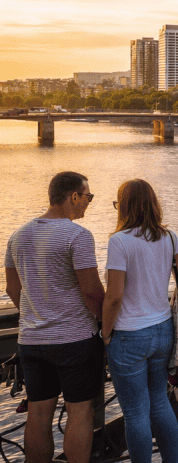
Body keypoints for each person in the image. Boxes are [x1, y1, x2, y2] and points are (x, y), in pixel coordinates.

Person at [4, 172, 105, 463]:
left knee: (38, 411)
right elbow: (93, 293)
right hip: (74, 340)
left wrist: (36, 314)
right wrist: (105, 325)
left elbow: (13, 288)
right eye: (88, 196)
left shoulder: (18, 234)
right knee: (80, 411)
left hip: (32, 341)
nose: (88, 203)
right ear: (73, 196)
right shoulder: (78, 235)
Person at [102, 179, 178, 463]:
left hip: (129, 334)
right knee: (159, 402)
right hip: (162, 329)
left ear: (124, 207)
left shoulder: (119, 241)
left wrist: (105, 334)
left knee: (135, 412)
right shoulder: (169, 237)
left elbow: (114, 297)